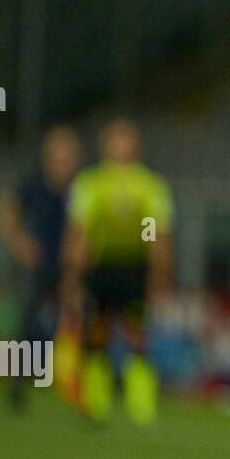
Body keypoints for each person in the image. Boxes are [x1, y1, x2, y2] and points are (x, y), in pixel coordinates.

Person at [62, 118, 174, 425]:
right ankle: (97, 399)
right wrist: (73, 273)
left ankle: (141, 402)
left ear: (135, 146)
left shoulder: (149, 185)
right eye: (115, 140)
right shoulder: (91, 182)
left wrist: (158, 270)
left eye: (125, 140)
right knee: (97, 332)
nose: (120, 146)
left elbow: (156, 231)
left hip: (134, 267)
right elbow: (80, 230)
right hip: (101, 267)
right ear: (105, 145)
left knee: (137, 333)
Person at [0, 125, 81, 409]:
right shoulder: (34, 184)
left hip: (69, 266)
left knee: (74, 320)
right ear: (48, 158)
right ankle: (16, 380)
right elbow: (4, 210)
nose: (65, 164)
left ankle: (71, 380)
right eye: (60, 157)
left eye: (69, 158)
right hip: (37, 264)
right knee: (25, 320)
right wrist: (20, 244)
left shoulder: (82, 187)